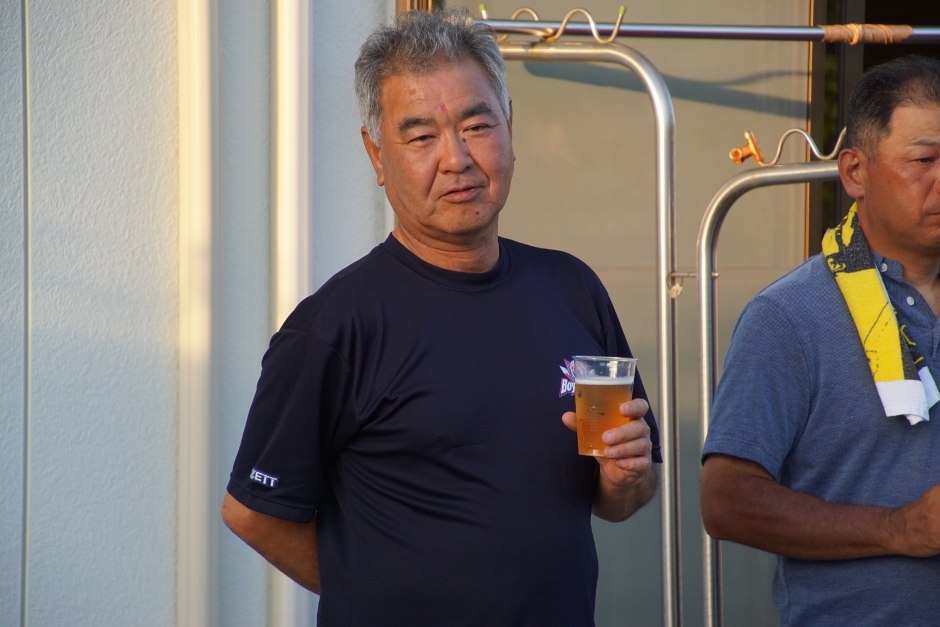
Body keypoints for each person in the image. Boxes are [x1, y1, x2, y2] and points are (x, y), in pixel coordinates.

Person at [222, 9, 661, 626]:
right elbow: (252, 512)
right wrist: (373, 593)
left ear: (509, 126)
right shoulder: (335, 328)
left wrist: (625, 475)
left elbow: (621, 496)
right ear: (377, 155)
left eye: (477, 125)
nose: (456, 159)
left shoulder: (572, 289)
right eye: (422, 137)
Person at [701, 55, 940, 626]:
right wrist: (897, 528)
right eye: (924, 160)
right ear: (855, 172)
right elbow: (726, 500)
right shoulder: (789, 316)